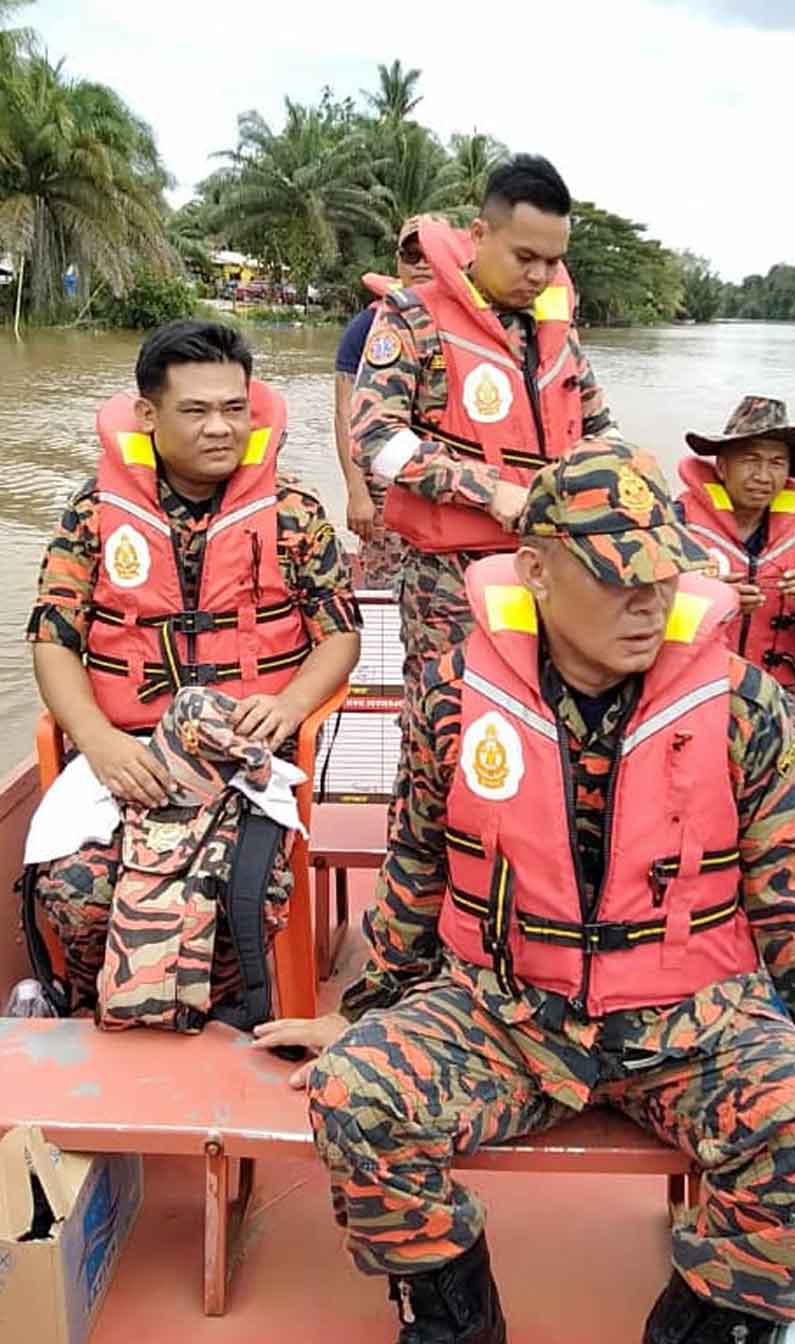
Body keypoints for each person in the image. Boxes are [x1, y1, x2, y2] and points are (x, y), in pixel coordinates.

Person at [254, 440, 795, 1344]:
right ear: (536, 568)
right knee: (355, 1095)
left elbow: (793, 902)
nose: (648, 601)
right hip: (506, 1009)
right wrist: (364, 1011)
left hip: (694, 1017)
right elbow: (421, 865)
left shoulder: (744, 706)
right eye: (618, 575)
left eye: (663, 574)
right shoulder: (452, 694)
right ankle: (452, 1322)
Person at [24, 318, 360, 1020]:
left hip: (245, 758)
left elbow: (340, 635)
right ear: (148, 414)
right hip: (127, 757)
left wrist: (292, 705)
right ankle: (98, 1002)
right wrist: (100, 739)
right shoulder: (92, 514)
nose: (220, 428)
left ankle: (217, 1015)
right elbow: (53, 640)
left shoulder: (294, 512)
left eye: (235, 409)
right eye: (196, 410)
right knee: (77, 893)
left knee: (240, 893)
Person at [350, 153, 615, 699]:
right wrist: (488, 491)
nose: (539, 276)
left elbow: (601, 436)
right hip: (449, 581)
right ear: (479, 234)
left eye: (552, 261)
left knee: (543, 723)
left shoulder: (555, 333)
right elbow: (375, 438)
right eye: (525, 257)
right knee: (446, 720)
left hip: (554, 571)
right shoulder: (411, 320)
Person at [678, 396, 795, 799]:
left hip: (774, 695)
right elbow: (632, 614)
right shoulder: (675, 524)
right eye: (750, 459)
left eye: (776, 463)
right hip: (683, 687)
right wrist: (708, 599)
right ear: (723, 465)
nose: (763, 475)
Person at [334, 217, 433, 588]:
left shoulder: (473, 326)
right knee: (386, 587)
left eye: (430, 255)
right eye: (411, 254)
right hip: (386, 485)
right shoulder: (368, 326)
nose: (421, 263)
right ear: (398, 262)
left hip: (452, 487)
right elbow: (346, 413)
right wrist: (357, 493)